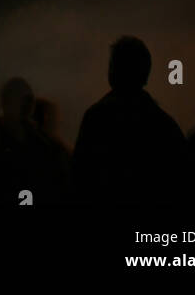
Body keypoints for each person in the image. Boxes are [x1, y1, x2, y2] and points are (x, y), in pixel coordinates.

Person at [73, 36, 185, 204]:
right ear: (145, 74)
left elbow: (80, 178)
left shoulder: (96, 118)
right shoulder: (163, 124)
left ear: (114, 71)